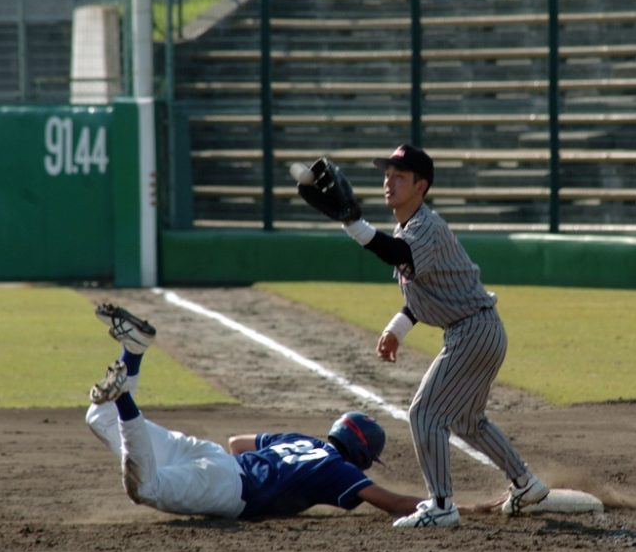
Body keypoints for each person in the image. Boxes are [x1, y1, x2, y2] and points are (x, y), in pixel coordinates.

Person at [337, 144, 549, 528]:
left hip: (473, 332)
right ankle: (526, 484)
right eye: (387, 175)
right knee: (468, 421)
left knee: (424, 414)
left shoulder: (426, 227)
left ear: (421, 186)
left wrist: (355, 225)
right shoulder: (409, 228)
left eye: (400, 176)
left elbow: (396, 253)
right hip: (480, 330)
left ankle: (441, 506)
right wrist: (397, 329)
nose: (389, 182)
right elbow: (425, 295)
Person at [86, 303, 426, 520]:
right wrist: (441, 505)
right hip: (228, 488)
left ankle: (133, 352)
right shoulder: (340, 471)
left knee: (99, 418)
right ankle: (123, 396)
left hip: (215, 458)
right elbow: (394, 503)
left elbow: (236, 443)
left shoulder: (301, 440)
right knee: (146, 488)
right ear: (361, 455)